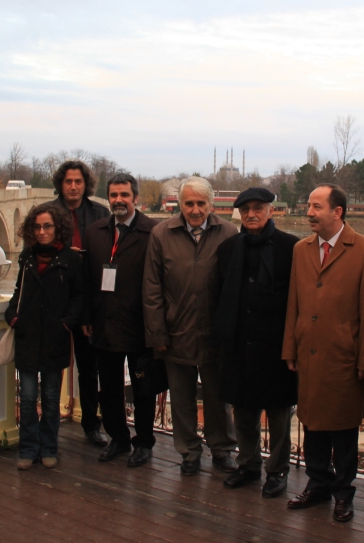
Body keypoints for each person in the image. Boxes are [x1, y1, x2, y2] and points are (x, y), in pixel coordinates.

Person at [282, 184, 364, 523]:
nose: (308, 212)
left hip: (344, 359)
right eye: (308, 206)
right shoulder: (301, 249)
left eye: (315, 206)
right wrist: (290, 348)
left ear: (337, 211)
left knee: (343, 430)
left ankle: (344, 493)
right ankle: (317, 484)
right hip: (308, 356)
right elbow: (294, 304)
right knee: (311, 424)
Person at [144, 176, 238, 476]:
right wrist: (157, 332)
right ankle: (188, 452)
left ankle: (222, 449)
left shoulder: (228, 233)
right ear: (180, 204)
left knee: (218, 398)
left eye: (201, 203)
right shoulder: (162, 234)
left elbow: (235, 287)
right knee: (181, 397)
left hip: (215, 333)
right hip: (176, 331)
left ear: (211, 204)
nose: (195, 209)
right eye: (189, 203)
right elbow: (151, 288)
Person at [214, 187, 299, 497]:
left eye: (258, 208)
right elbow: (218, 296)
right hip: (238, 344)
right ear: (239, 213)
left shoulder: (292, 247)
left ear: (270, 211)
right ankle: (248, 465)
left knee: (279, 415)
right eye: (246, 209)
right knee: (244, 413)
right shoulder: (227, 249)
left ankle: (277, 471)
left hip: (276, 346)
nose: (252, 214)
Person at [85, 173, 161, 467]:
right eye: (114, 195)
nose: (119, 200)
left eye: (124, 195)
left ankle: (144, 442)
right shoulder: (96, 232)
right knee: (111, 388)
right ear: (108, 198)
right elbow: (88, 279)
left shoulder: (153, 232)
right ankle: (118, 438)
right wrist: (87, 317)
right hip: (105, 323)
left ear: (135, 198)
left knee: (143, 390)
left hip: (140, 326)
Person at [6, 203, 84, 470]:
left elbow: (78, 296)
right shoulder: (27, 257)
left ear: (57, 228)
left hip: (55, 337)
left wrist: (67, 323)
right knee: (27, 398)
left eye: (47, 226)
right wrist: (11, 314)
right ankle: (28, 448)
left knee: (51, 398)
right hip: (27, 336)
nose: (42, 232)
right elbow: (19, 290)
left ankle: (49, 447)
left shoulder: (70, 260)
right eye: (37, 227)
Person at [53, 160, 110, 447]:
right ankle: (48, 426)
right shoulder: (48, 213)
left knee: (89, 369)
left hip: (89, 300)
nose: (73, 186)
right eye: (68, 182)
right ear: (60, 185)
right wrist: (63, 253)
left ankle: (92, 425)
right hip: (58, 300)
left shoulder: (101, 212)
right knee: (51, 367)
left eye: (78, 181)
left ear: (86, 184)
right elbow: (34, 249)